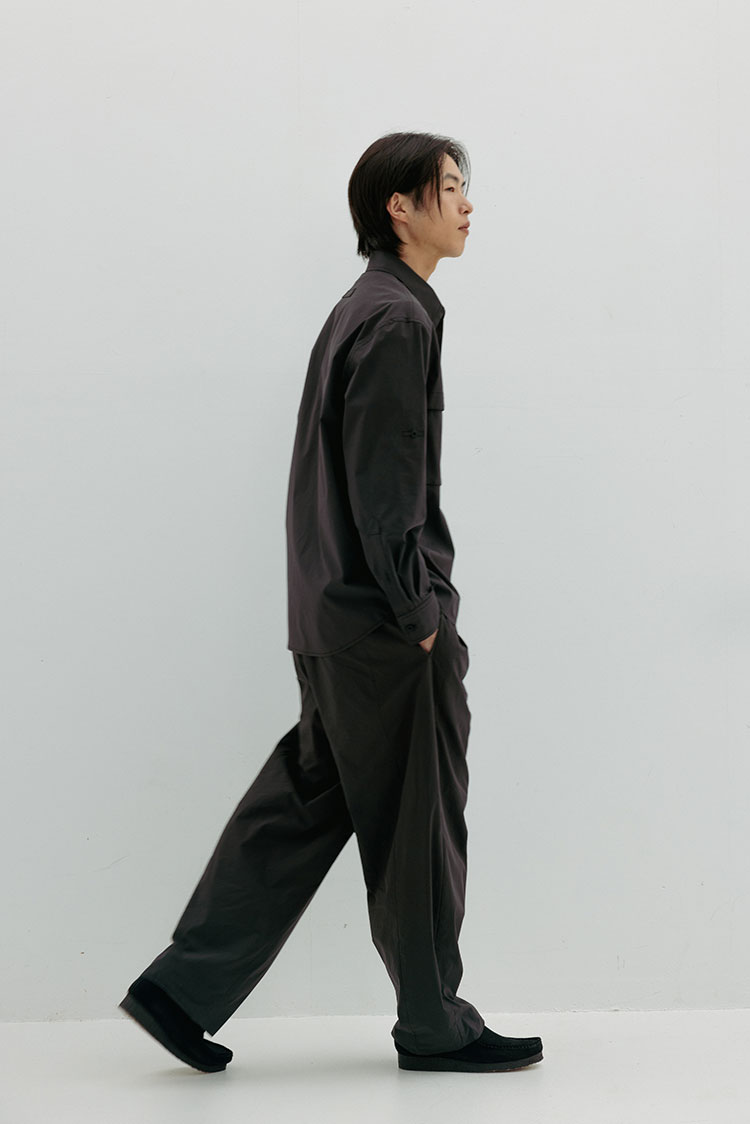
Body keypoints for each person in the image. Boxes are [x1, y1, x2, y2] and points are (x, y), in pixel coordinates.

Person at [120, 131, 543, 1075]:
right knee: (418, 820)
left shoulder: (366, 307)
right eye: (450, 187)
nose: (467, 204)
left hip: (330, 617)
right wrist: (420, 614)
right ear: (400, 207)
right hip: (384, 626)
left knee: (306, 804)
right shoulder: (395, 320)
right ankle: (433, 1023)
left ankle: (178, 992)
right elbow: (384, 491)